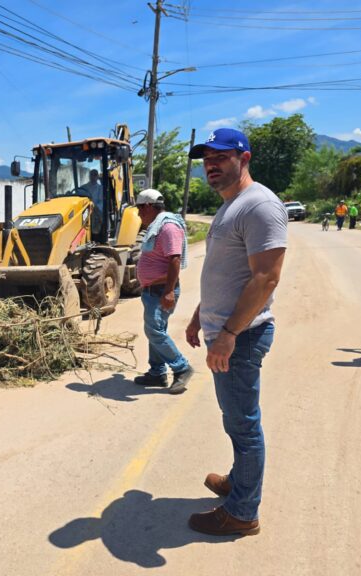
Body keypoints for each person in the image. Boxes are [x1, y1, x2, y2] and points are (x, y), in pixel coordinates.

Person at [184, 128, 287, 536]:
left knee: (244, 425)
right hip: (226, 330)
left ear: (244, 158)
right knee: (236, 422)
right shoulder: (231, 206)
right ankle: (239, 482)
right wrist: (198, 315)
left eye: (220, 156)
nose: (211, 164)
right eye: (206, 158)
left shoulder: (259, 205)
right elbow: (225, 273)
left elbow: (265, 279)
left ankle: (243, 512)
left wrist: (227, 334)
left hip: (240, 337)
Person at [132, 188, 194, 394]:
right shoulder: (157, 226)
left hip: (162, 291)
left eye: (140, 208)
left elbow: (174, 259)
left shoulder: (168, 227)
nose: (139, 213)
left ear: (149, 206)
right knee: (156, 332)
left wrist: (168, 292)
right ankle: (157, 372)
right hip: (153, 290)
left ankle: (181, 367)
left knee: (154, 331)